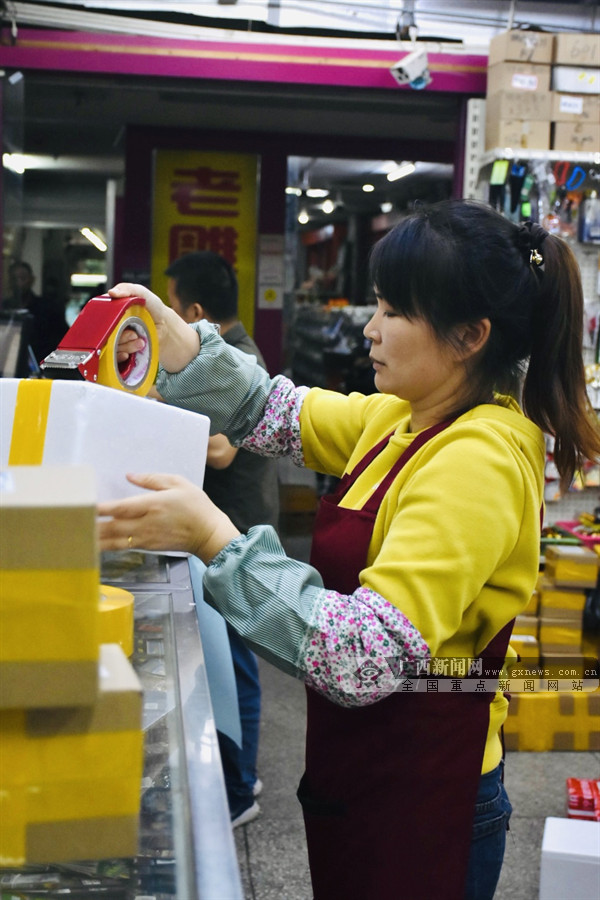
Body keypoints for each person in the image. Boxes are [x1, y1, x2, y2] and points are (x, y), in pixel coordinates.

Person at [98, 200, 600, 900]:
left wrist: (214, 538)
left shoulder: (477, 459)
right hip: (369, 770)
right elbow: (271, 409)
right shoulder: (401, 417)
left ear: (469, 336)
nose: (370, 329)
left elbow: (361, 654)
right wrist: (179, 340)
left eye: (394, 312)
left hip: (431, 793)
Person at [161, 251, 280, 828]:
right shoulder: (235, 349)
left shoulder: (239, 358)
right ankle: (242, 773)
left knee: (237, 660)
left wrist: (159, 405)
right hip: (228, 520)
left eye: (172, 312)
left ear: (197, 311)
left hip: (239, 522)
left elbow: (221, 447)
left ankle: (242, 785)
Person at [3, 261, 69, 365]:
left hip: (41, 367)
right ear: (9, 282)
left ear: (31, 280)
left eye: (23, 278)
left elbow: (62, 340)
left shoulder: (49, 309)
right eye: (14, 279)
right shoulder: (3, 309)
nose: (19, 283)